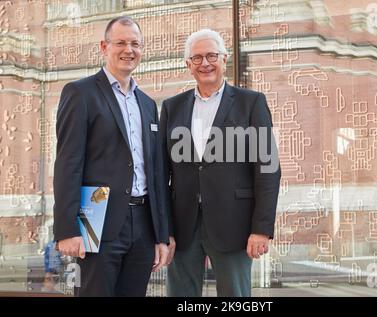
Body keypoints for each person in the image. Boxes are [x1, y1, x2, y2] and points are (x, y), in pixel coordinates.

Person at [53, 16, 169, 297]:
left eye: (135, 44)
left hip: (142, 224)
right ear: (104, 47)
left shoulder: (147, 103)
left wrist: (161, 235)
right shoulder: (80, 93)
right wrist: (67, 229)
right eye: (120, 42)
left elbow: (154, 172)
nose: (128, 49)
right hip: (95, 218)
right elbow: (68, 164)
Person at [160, 29, 281, 297]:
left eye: (212, 55)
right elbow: (161, 175)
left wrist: (261, 229)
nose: (205, 63)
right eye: (198, 57)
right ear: (188, 65)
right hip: (182, 228)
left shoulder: (251, 103)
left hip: (234, 226)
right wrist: (163, 230)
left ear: (224, 59)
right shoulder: (172, 107)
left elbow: (268, 169)